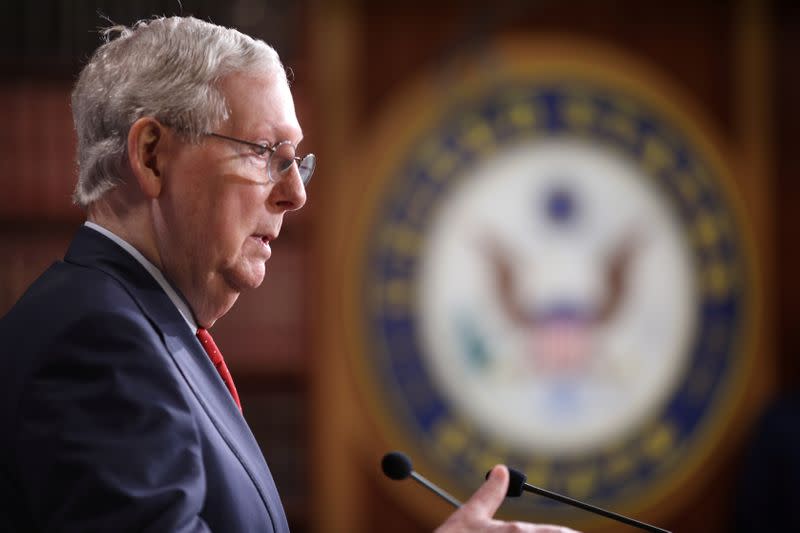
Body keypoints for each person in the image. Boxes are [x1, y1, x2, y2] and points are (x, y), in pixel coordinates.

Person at [0, 16, 579, 533]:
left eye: (297, 159)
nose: (295, 193)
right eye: (264, 152)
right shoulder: (98, 342)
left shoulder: (139, 327)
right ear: (152, 154)